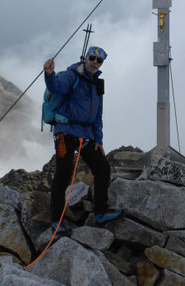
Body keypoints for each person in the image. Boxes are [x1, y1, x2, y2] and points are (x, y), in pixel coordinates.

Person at [43, 46, 122, 233]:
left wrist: (99, 139)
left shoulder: (97, 84)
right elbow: (57, 87)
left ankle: (100, 212)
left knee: (102, 168)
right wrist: (49, 74)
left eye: (99, 60)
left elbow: (98, 114)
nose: (95, 62)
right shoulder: (72, 74)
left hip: (86, 135)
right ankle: (57, 220)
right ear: (85, 58)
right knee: (64, 172)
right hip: (65, 131)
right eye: (92, 58)